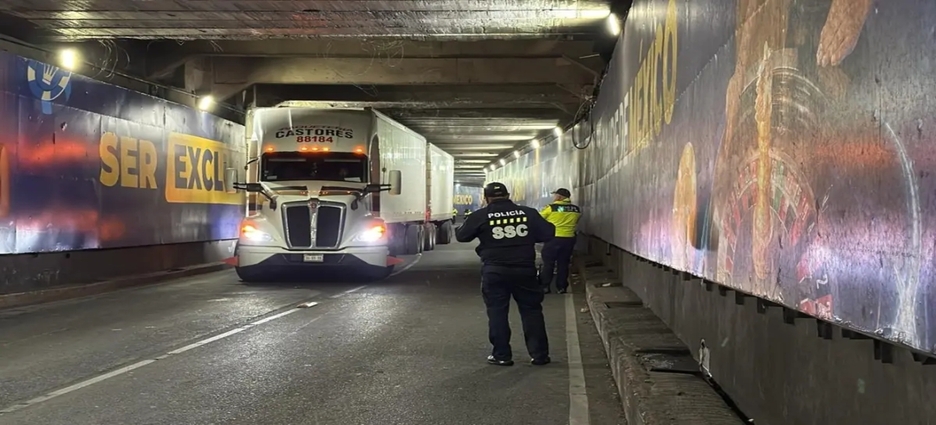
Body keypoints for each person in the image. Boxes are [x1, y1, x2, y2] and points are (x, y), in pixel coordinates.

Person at [456, 182, 556, 366]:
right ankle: (539, 355)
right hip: (524, 269)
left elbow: (462, 236)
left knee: (497, 312)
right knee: (532, 311)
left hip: (494, 271)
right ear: (508, 195)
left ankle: (502, 355)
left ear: (486, 198)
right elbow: (548, 233)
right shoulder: (528, 213)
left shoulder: (482, 215)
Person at [538, 188, 582, 294]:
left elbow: (539, 218)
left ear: (559, 197)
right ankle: (561, 287)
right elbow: (576, 221)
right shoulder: (576, 209)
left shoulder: (551, 208)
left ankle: (545, 286)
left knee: (549, 263)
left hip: (553, 238)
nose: (554, 197)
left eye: (555, 195)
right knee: (563, 263)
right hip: (569, 239)